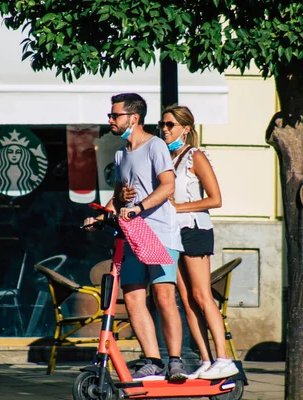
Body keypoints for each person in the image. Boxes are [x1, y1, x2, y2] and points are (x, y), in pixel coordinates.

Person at [121, 104, 238, 380]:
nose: (164, 129)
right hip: (173, 233)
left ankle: (224, 357)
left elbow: (215, 199)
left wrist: (176, 207)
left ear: (186, 128)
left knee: (201, 295)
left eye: (170, 124)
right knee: (185, 300)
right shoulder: (166, 158)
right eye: (162, 124)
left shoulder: (195, 156)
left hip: (195, 229)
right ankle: (206, 359)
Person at [83, 93, 187, 381]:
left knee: (164, 296)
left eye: (115, 115)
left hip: (160, 233)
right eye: (111, 115)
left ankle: (175, 361)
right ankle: (153, 360)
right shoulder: (120, 154)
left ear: (133, 118)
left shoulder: (155, 146)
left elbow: (168, 187)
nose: (110, 120)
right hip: (132, 235)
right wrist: (100, 217)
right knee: (132, 298)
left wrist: (139, 206)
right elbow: (117, 198)